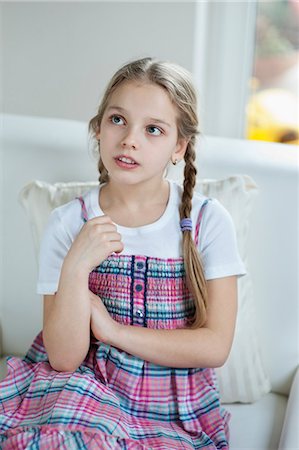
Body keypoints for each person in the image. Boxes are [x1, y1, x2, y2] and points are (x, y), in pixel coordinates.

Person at [0, 57, 246, 449]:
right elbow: (63, 357)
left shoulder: (206, 222)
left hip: (170, 407)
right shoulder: (69, 222)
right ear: (98, 127)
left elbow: (214, 346)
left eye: (153, 129)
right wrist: (77, 264)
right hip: (83, 388)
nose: (130, 139)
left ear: (178, 146)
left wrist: (113, 332)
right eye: (118, 120)